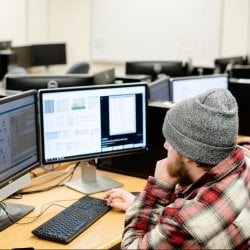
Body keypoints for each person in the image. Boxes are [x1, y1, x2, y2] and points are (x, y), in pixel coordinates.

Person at [105, 88, 250, 249]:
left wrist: (156, 190)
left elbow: (131, 247)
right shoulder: (245, 159)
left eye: (171, 142)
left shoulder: (184, 225)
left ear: (189, 153)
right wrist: (140, 206)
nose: (165, 145)